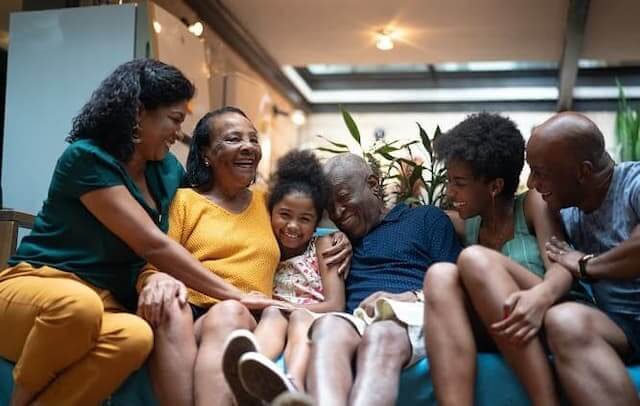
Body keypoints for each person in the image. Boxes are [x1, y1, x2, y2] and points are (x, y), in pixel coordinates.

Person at [0, 59, 244, 406]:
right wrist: (237, 294)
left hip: (106, 302)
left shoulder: (167, 169)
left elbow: (211, 201)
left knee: (135, 336)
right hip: (37, 284)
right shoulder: (85, 158)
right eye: (174, 119)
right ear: (139, 113)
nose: (178, 132)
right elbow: (150, 243)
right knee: (77, 306)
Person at [137, 108, 352, 406]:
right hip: (191, 315)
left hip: (247, 317)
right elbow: (156, 259)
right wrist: (157, 279)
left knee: (229, 312)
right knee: (168, 306)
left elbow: (305, 225)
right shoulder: (184, 201)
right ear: (206, 154)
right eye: (234, 138)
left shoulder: (268, 202)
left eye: (253, 138)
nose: (249, 146)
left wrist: (342, 238)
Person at [424, 112, 589, 406]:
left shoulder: (532, 205)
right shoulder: (468, 222)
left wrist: (538, 298)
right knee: (439, 275)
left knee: (475, 259)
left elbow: (563, 268)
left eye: (459, 183)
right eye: (448, 182)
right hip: (501, 326)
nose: (450, 192)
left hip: (548, 313)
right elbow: (414, 218)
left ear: (495, 186)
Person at [301, 153, 461, 406]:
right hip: (356, 318)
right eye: (331, 207)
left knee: (382, 333)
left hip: (409, 314)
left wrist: (407, 297)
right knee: (328, 327)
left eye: (343, 198)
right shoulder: (339, 239)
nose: (339, 212)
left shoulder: (425, 218)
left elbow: (456, 285)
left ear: (373, 185)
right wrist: (332, 232)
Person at [525, 112, 640, 406]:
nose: (532, 181)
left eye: (540, 171)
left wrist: (585, 265)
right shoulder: (566, 210)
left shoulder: (634, 184)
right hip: (624, 330)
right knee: (564, 320)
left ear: (582, 171)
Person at [226, 149, 345, 403]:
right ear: (270, 212)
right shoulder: (266, 246)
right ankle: (249, 368)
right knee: (272, 314)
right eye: (284, 215)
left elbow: (336, 304)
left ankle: (294, 382)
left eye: (305, 219)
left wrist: (282, 305)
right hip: (274, 316)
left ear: (316, 223)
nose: (293, 226)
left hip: (315, 316)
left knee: (297, 315)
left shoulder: (324, 244)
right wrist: (276, 307)